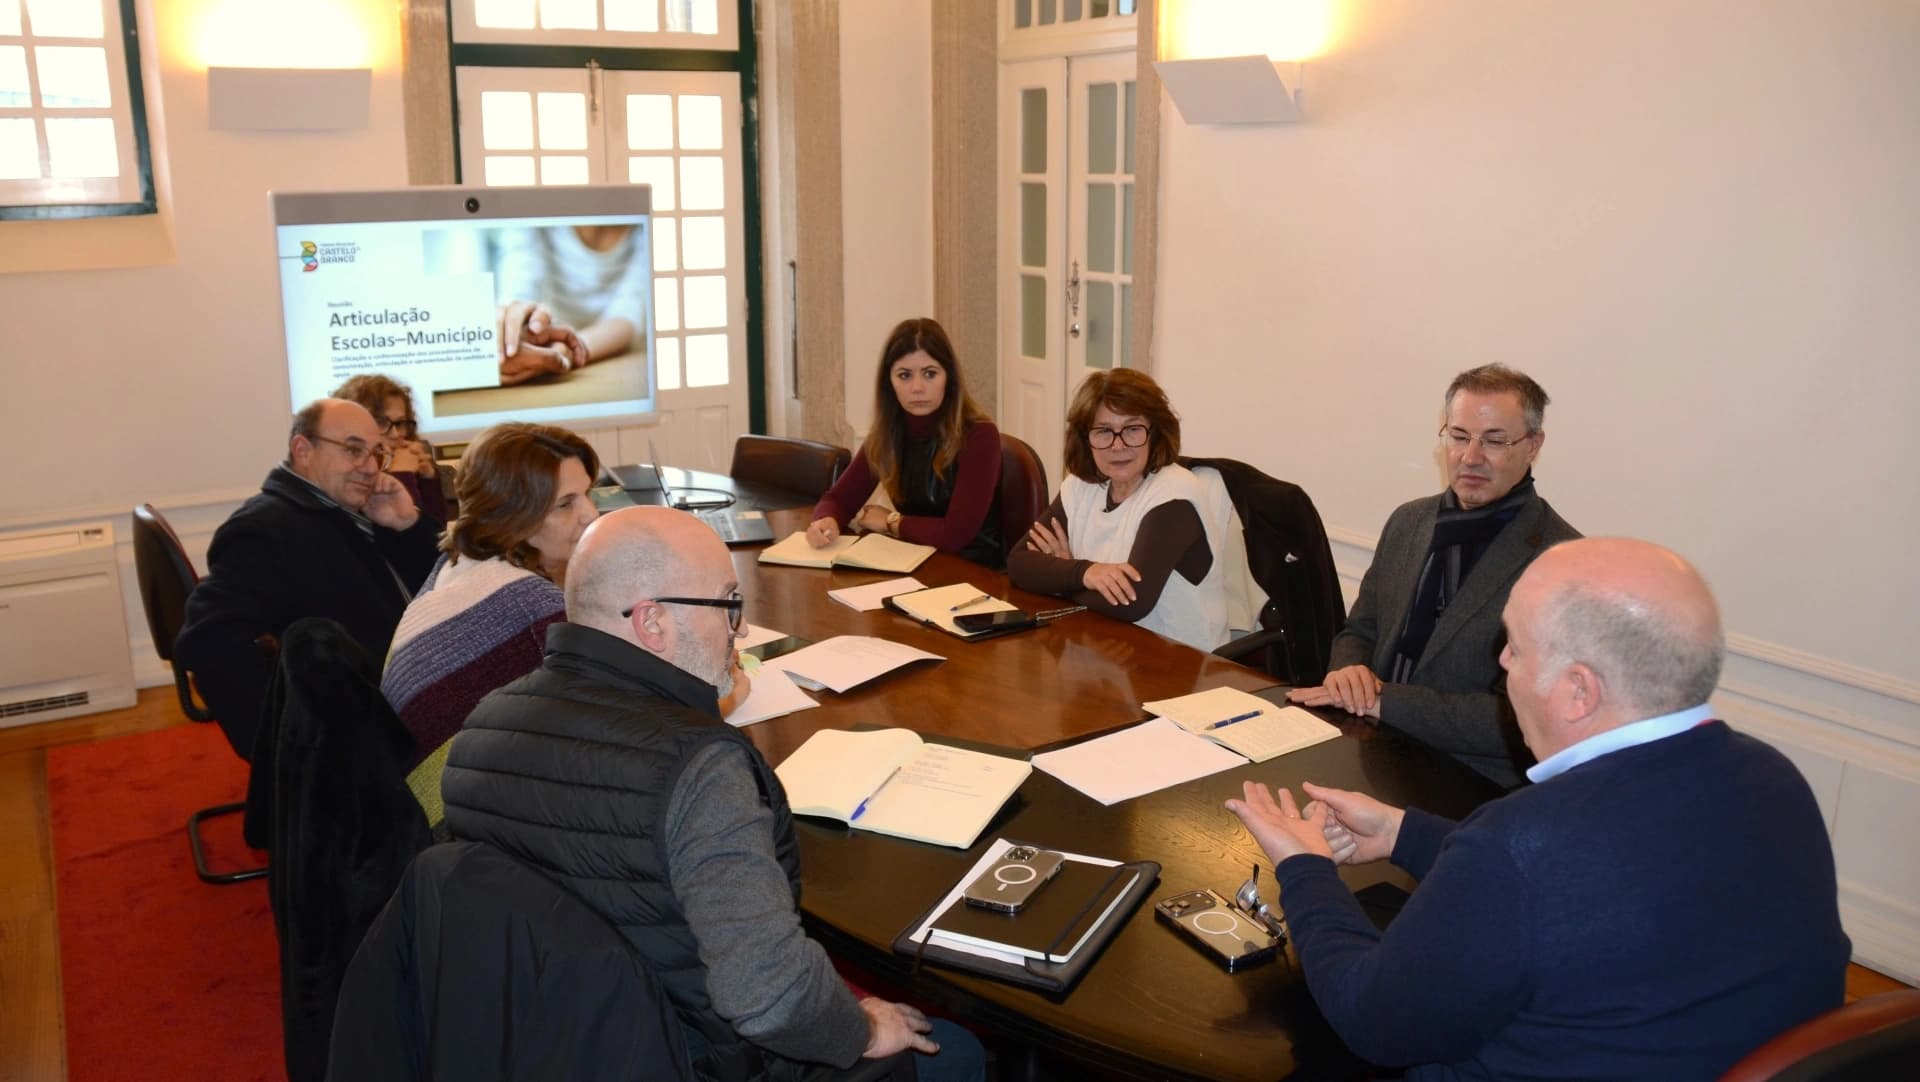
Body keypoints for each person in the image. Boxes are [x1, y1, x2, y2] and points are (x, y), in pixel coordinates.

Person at [1227, 538, 1850, 1080]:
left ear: (1578, 690)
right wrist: (1404, 832)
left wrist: (1306, 868)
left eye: (1516, 650)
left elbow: (1373, 1020)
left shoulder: (1520, 846)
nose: (1501, 665)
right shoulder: (1774, 778)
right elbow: (1584, 890)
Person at [440, 507, 985, 1082]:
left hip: (554, 1041)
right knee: (955, 1050)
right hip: (692, 1056)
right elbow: (771, 998)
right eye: (729, 603)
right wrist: (865, 1032)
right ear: (652, 624)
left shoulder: (483, 726)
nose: (741, 629)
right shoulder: (698, 767)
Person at [1288, 363, 1580, 787]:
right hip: (1367, 744)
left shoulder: (1562, 561)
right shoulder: (1409, 521)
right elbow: (1361, 629)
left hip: (1470, 781)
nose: (1471, 457)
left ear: (1533, 445)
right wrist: (1347, 669)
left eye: (1495, 440)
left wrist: (1385, 701)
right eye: (1459, 437)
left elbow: (1515, 720)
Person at [177, 398, 441, 759]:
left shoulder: (348, 508)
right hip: (377, 722)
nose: (369, 467)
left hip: (414, 682)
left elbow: (437, 586)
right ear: (303, 449)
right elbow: (209, 641)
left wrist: (407, 525)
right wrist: (281, 749)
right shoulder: (264, 529)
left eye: (377, 453)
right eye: (353, 450)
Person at [380, 423, 600, 835]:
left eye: (587, 494)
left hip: (428, 811)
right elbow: (622, 721)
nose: (590, 514)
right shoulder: (529, 605)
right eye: (565, 504)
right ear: (513, 515)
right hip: (471, 830)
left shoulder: (455, 566)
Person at [1007, 368, 1258, 651]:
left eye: (1133, 430)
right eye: (1103, 431)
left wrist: (1063, 577)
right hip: (1104, 648)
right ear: (1085, 438)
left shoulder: (1175, 495)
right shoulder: (1081, 486)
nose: (1118, 445)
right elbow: (1018, 564)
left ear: (1155, 432)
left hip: (1180, 665)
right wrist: (1086, 573)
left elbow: (1131, 601)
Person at [807, 317, 1005, 567]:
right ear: (889, 383)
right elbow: (838, 500)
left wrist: (892, 521)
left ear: (949, 378)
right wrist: (827, 520)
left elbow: (956, 534)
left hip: (971, 573)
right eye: (904, 375)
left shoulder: (979, 436)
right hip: (911, 562)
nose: (917, 387)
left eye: (930, 374)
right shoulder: (887, 433)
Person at [491, 224, 643, 386]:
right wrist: (514, 327)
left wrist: (569, 350)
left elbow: (629, 312)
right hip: (554, 349)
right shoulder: (530, 217)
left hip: (614, 364)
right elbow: (521, 281)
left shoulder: (644, 228)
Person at [332, 373, 449, 524]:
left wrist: (428, 480)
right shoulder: (345, 479)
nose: (395, 434)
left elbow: (435, 538)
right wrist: (401, 476)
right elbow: (402, 536)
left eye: (400, 423)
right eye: (381, 422)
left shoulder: (406, 458)